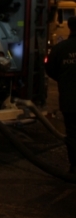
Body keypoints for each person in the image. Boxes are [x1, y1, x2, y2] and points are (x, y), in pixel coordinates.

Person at [45, 16, 76, 174]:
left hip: (69, 99)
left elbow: (50, 69)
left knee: (72, 133)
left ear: (70, 27)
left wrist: (64, 79)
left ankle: (74, 165)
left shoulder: (61, 48)